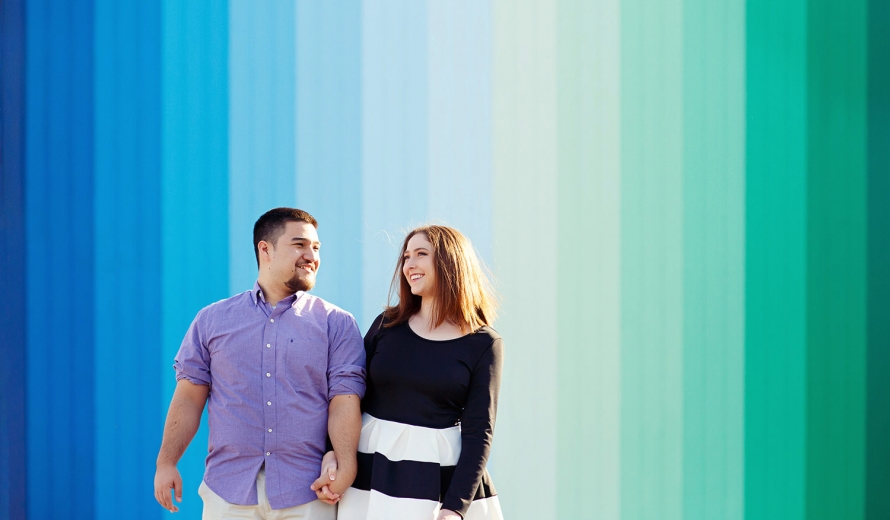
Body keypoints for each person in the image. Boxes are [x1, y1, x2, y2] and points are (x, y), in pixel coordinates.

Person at [153, 207, 366, 519]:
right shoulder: (212, 320)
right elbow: (188, 398)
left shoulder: (337, 323)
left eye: (316, 247)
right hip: (228, 490)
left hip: (308, 491)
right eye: (299, 245)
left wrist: (346, 465)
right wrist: (167, 462)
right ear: (265, 249)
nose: (311, 256)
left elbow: (344, 401)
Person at [313, 225, 504, 520]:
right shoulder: (386, 325)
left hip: (437, 477)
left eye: (421, 254)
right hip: (372, 471)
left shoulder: (484, 343)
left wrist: (455, 508)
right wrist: (331, 454)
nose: (409, 265)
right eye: (406, 257)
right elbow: (348, 397)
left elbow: (480, 431)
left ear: (451, 261)